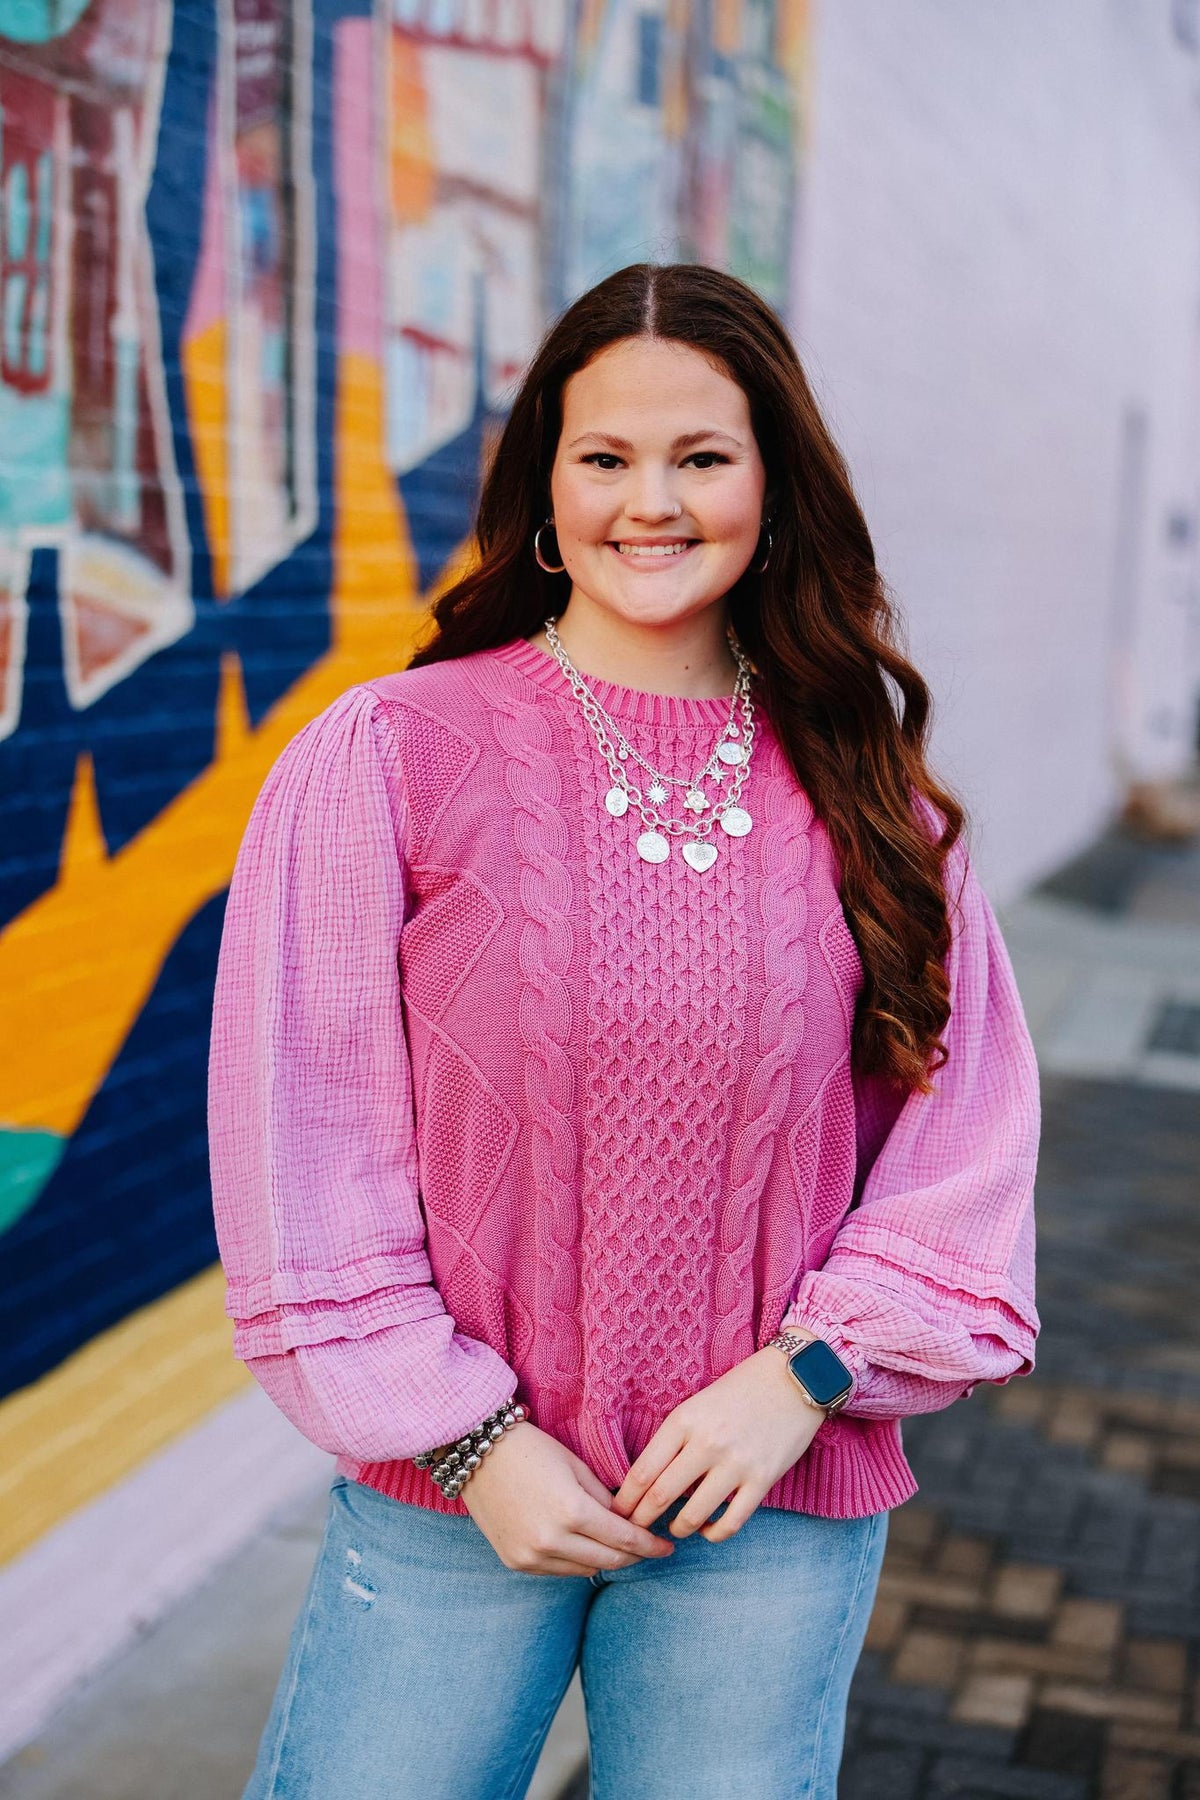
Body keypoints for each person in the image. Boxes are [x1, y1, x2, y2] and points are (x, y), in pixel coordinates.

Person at [208, 261, 1040, 1800]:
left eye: (701, 457)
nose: (649, 502)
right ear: (546, 492)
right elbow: (304, 1152)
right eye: (605, 457)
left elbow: (962, 1152)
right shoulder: (387, 759)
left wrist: (798, 1380)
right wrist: (466, 1442)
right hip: (458, 1512)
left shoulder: (881, 806)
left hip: (767, 1520)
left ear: (774, 488)